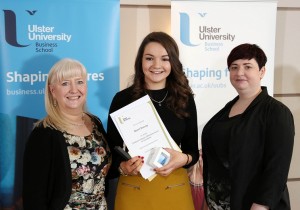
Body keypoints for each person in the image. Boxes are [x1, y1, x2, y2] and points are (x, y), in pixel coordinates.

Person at [106, 31, 199, 210]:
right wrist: (123, 167)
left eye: (165, 58)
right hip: (134, 190)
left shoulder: (184, 99)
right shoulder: (122, 99)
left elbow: (192, 152)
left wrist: (184, 158)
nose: (157, 65)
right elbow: (110, 151)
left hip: (174, 190)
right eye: (149, 58)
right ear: (140, 61)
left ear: (173, 62)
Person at [201, 43, 295, 210]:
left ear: (262, 71)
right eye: (234, 67)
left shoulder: (276, 112)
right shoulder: (227, 109)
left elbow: (277, 170)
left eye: (247, 66)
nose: (239, 72)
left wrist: (260, 207)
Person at [22, 58, 111, 210]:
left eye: (79, 82)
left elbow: (104, 169)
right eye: (65, 83)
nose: (74, 89)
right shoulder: (43, 133)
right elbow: (33, 196)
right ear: (52, 91)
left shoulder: (95, 123)